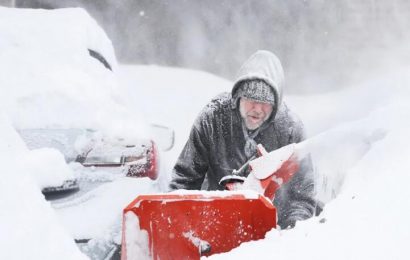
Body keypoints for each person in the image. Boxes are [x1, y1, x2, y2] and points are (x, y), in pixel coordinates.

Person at [169, 50, 317, 229]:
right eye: (251, 99)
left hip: (272, 231)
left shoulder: (290, 129)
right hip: (214, 224)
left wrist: (289, 233)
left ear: (276, 105)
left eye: (266, 102)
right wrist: (181, 226)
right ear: (238, 97)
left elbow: (302, 198)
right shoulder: (213, 119)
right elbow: (184, 180)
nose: (257, 108)